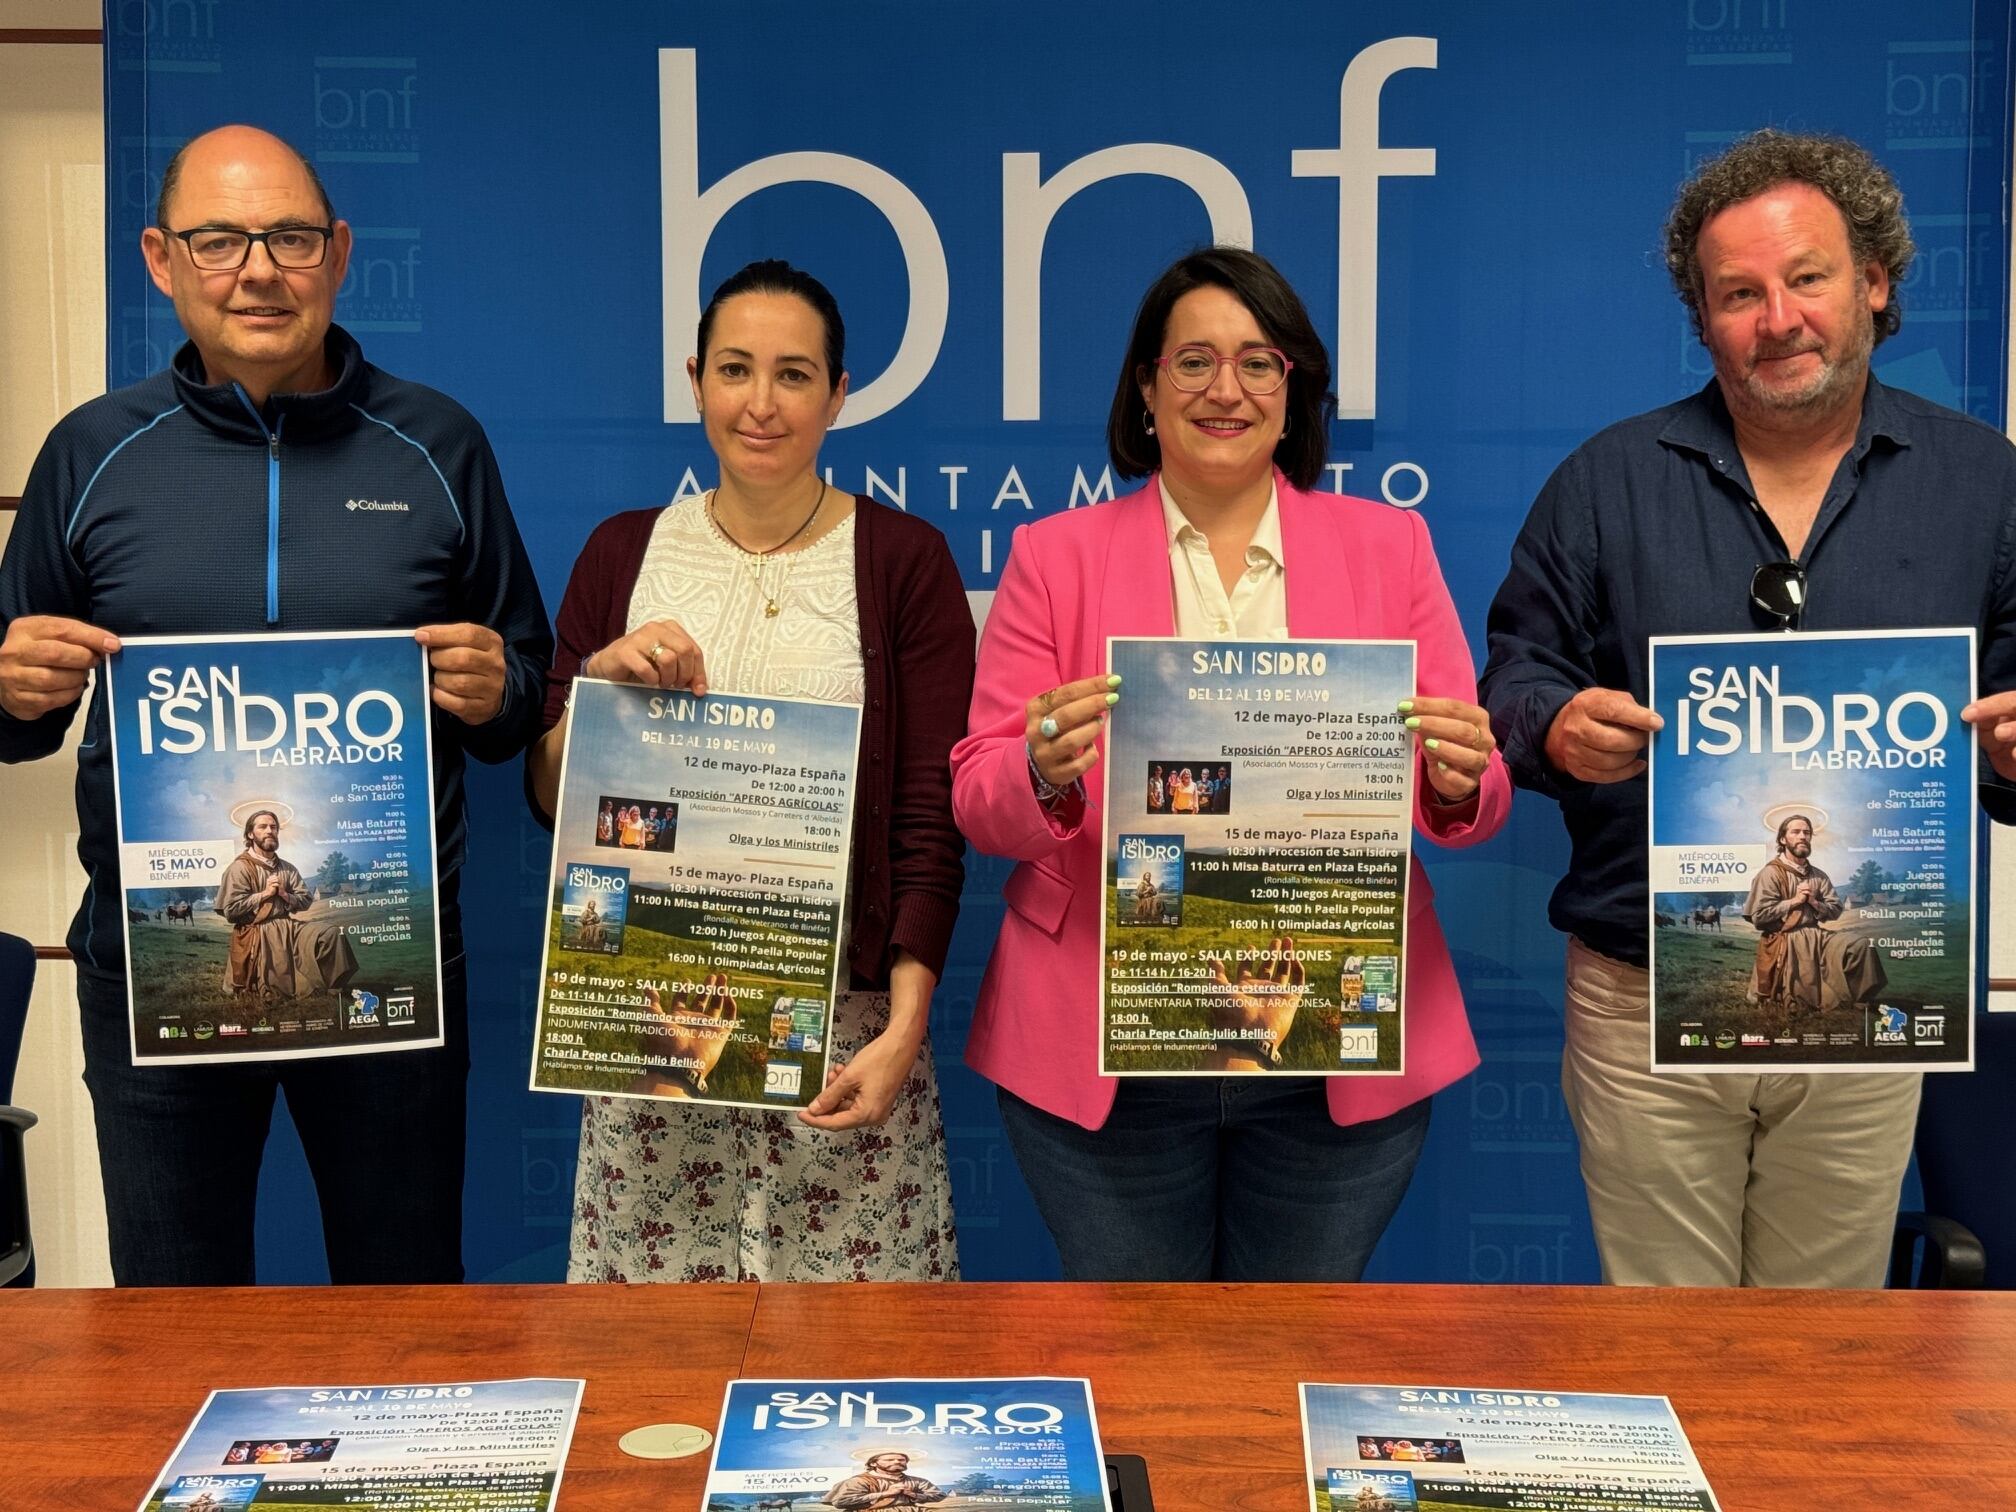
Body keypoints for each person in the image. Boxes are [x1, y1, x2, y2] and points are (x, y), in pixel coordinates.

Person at [0, 126, 552, 1286]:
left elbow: (522, 689)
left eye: (292, 238)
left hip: (389, 988)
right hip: (154, 1004)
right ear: (161, 258)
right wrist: (7, 683)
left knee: (407, 1316)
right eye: (219, 240)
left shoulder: (438, 444)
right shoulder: (89, 454)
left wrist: (500, 686)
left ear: (340, 253)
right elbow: (15, 722)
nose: (259, 269)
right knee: (172, 1322)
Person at [1480, 129, 2016, 1288]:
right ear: (1703, 316)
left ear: (1875, 280)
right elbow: (1517, 677)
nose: (1778, 319)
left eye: (1807, 278)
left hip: (1867, 997)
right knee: (1667, 1349)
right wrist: (1557, 730)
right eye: (1739, 295)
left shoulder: (1987, 483)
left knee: (1821, 1356)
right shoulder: (1606, 482)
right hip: (1643, 992)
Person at [951, 247, 1511, 1281]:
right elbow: (981, 797)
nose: (1227, 389)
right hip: (1106, 1049)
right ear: (1147, 388)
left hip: (1331, 1042)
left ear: (1295, 393)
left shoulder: (1392, 548)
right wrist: (1041, 769)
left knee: (1292, 1363)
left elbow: (1469, 776)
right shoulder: (1052, 555)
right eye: (1196, 360)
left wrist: (1457, 774)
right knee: (1138, 1369)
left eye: (1259, 363)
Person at [527, 260, 970, 1282]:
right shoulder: (620, 553)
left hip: (846, 1037)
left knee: (856, 1373)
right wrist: (594, 693)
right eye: (735, 369)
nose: (761, 404)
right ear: (694, 380)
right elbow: (551, 798)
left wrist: (904, 1028)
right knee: (656, 1373)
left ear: (840, 394)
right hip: (647, 1032)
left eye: (795, 375)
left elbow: (925, 821)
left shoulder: (904, 560)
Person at [1744, 814, 1885, 1012]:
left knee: (1860, 945)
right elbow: (1759, 916)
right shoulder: (1770, 873)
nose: (1802, 836)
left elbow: (1835, 909)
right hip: (1786, 939)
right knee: (1803, 1000)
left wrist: (1813, 902)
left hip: (1817, 935)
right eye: (1795, 832)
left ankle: (1860, 998)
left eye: (1807, 833)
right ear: (1783, 839)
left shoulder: (1818, 875)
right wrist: (1794, 902)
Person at [215, 808, 358, 998]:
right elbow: (231, 911)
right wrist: (264, 894)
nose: (269, 831)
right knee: (277, 990)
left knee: (331, 933)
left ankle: (333, 987)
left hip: (289, 926)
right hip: (257, 930)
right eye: (262, 827)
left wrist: (284, 895)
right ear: (250, 834)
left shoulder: (287, 868)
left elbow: (306, 900)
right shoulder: (239, 867)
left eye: (273, 827)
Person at [825, 1451, 945, 1509]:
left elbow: (938, 1495)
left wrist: (912, 1494)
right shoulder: (859, 1481)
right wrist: (885, 1494)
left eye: (901, 1460)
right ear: (873, 1463)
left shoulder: (917, 1481)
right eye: (889, 1460)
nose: (897, 1462)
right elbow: (841, 1502)